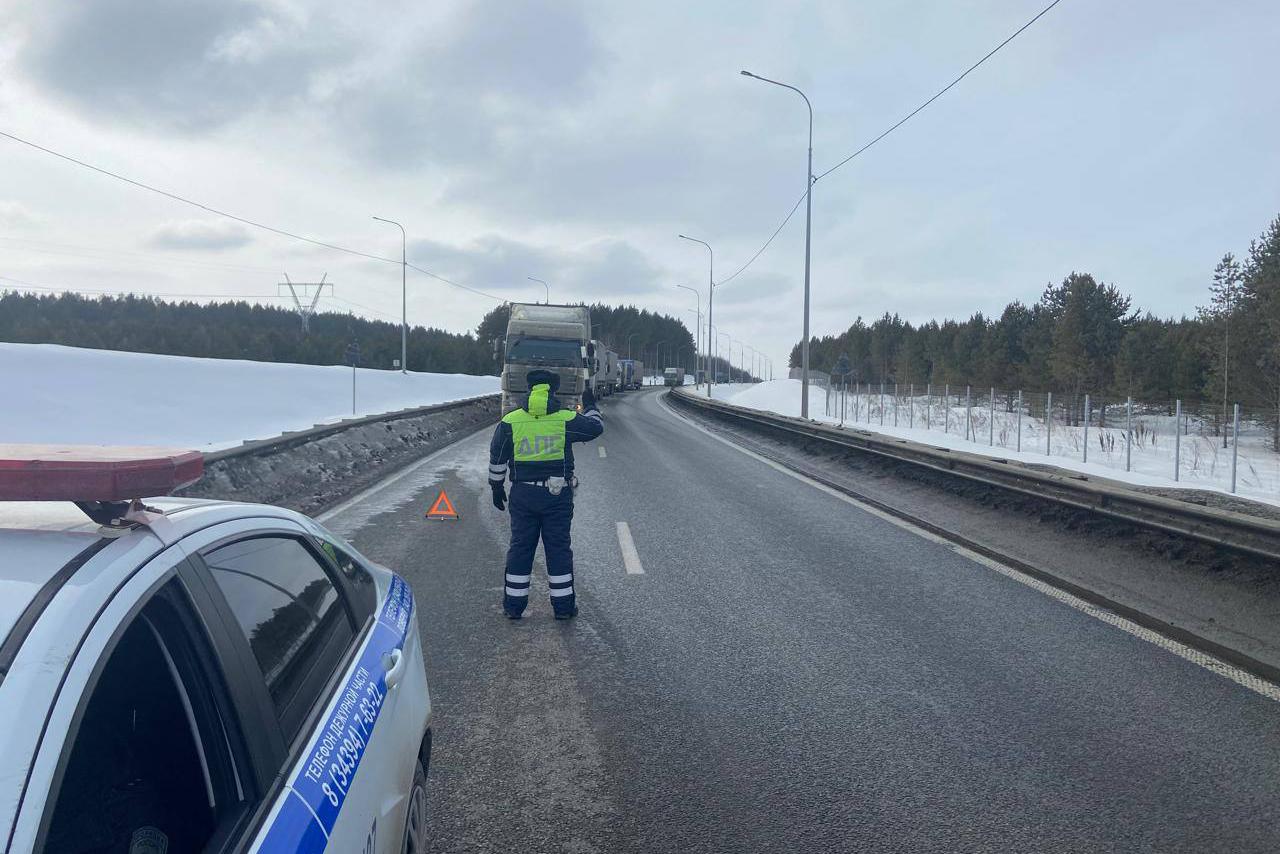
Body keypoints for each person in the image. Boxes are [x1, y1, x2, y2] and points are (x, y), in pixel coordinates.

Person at [488, 369, 603, 619]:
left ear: (529, 389)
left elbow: (497, 457)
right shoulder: (566, 419)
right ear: (553, 390)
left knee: (520, 548)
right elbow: (595, 428)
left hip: (522, 495)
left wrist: (496, 486)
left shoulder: (511, 421)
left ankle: (513, 607)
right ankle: (563, 609)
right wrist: (591, 406)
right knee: (558, 549)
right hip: (556, 495)